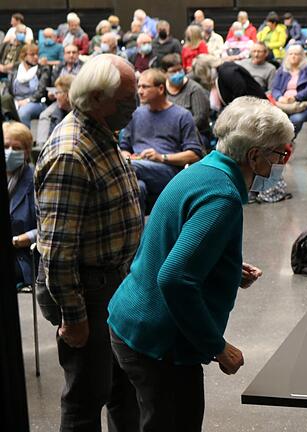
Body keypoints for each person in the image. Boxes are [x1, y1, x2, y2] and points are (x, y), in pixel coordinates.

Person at [108, 96, 289, 431]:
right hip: (161, 345)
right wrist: (218, 348)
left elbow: (171, 244)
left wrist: (227, 268)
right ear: (254, 156)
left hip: (128, 322)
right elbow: (175, 279)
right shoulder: (222, 196)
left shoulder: (202, 171)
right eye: (281, 153)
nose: (282, 162)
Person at [34, 53, 141, 432]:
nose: (135, 106)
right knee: (86, 396)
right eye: (127, 100)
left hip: (115, 282)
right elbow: (58, 252)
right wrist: (74, 319)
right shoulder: (70, 153)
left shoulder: (103, 133)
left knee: (124, 388)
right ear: (97, 99)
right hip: (86, 290)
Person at [120, 68, 203, 214]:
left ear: (160, 88)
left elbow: (194, 154)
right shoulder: (136, 114)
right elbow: (124, 147)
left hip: (167, 170)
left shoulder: (182, 115)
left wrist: (161, 157)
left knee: (127, 167)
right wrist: (127, 155)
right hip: (138, 166)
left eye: (145, 87)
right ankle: (141, 234)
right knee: (138, 187)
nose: (140, 91)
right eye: (138, 87)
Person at [5, 121, 37, 288]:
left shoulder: (35, 180)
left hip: (21, 255)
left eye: (16, 148)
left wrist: (17, 241)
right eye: (5, 146)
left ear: (27, 152)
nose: (9, 152)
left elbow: (45, 229)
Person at [161, 54, 212, 146]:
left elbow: (200, 118)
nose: (177, 74)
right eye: (173, 71)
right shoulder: (162, 89)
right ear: (164, 73)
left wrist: (178, 130)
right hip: (167, 134)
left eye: (179, 70)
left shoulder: (195, 90)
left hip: (195, 134)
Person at [271, 44, 307, 136]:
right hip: (283, 103)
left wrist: (295, 98)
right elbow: (275, 88)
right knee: (275, 120)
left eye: (296, 54)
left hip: (303, 104)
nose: (293, 56)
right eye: (290, 54)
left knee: (295, 120)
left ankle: (288, 142)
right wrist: (280, 97)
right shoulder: (282, 70)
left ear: (302, 56)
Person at [3, 44, 50, 127]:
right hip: (16, 101)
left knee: (23, 112)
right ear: (24, 56)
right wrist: (12, 102)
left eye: (37, 54)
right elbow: (7, 88)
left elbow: (41, 91)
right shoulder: (16, 69)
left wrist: (27, 101)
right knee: (5, 111)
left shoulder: (43, 69)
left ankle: (25, 138)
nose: (35, 57)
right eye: (32, 54)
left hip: (36, 102)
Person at [39, 74, 74, 138]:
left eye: (57, 93)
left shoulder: (81, 117)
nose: (55, 96)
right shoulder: (56, 113)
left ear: (67, 95)